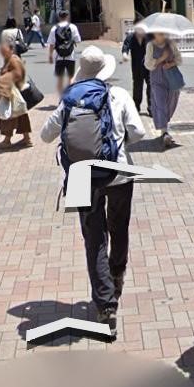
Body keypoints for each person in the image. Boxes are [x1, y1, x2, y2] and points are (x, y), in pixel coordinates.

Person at [40, 46, 145, 333]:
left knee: (94, 238)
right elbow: (139, 133)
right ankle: (117, 276)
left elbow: (45, 135)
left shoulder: (70, 98)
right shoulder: (119, 95)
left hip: (79, 177)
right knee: (119, 228)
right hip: (120, 173)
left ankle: (105, 306)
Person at [0, 28, 33, 148]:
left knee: (9, 116)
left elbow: (17, 74)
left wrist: (4, 80)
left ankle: (7, 140)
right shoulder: (10, 58)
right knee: (20, 114)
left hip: (12, 92)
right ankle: (27, 139)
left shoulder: (13, 59)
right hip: (12, 92)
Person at [145, 32, 183, 149]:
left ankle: (164, 125)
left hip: (171, 79)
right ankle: (164, 131)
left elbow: (179, 59)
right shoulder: (150, 45)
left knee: (170, 104)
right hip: (157, 79)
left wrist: (170, 63)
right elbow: (148, 64)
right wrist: (161, 58)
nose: (161, 35)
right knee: (160, 104)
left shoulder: (170, 44)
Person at [121, 18, 151, 116]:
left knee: (151, 87)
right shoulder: (131, 37)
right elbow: (125, 46)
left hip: (149, 66)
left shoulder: (149, 37)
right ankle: (136, 107)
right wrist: (125, 54)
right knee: (137, 87)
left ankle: (152, 108)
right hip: (137, 67)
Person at [47, 10, 81, 91]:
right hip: (70, 56)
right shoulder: (73, 27)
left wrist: (50, 55)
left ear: (59, 17)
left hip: (59, 56)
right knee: (71, 78)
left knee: (60, 79)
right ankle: (70, 97)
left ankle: (61, 98)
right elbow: (78, 40)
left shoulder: (54, 28)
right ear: (67, 16)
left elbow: (51, 44)